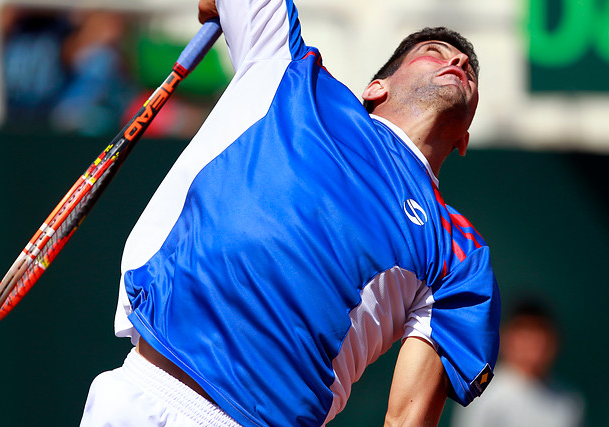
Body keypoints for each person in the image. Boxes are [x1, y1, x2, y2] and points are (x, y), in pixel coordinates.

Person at [80, 0, 500, 425]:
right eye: (434, 51)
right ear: (376, 88)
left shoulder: (461, 255)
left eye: (466, 67)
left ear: (463, 138)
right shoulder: (289, 70)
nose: (459, 60)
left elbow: (407, 421)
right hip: (141, 391)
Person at [451, 299, 585, 427]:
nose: (534, 342)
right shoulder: (482, 392)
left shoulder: (569, 402)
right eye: (525, 332)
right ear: (507, 338)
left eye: (540, 332)